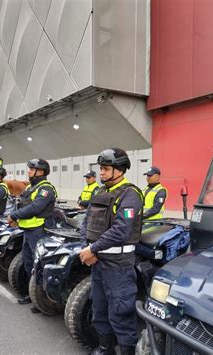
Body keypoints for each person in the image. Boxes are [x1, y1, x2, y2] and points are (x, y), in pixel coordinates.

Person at [79, 148, 144, 355]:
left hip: (118, 265)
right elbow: (87, 221)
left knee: (121, 311)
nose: (102, 173)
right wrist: (86, 247)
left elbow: (121, 230)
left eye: (106, 169)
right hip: (98, 262)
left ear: (120, 170)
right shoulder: (100, 191)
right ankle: (106, 348)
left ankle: (127, 351)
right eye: (101, 169)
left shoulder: (130, 195)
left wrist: (93, 248)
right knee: (99, 308)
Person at [7, 159, 57, 308]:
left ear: (40, 171)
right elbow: (21, 204)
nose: (28, 171)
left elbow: (35, 208)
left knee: (40, 265)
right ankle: (33, 294)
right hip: (28, 231)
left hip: (40, 231)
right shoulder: (31, 188)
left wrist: (15, 216)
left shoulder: (46, 189)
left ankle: (42, 299)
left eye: (31, 169)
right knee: (29, 263)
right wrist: (16, 217)